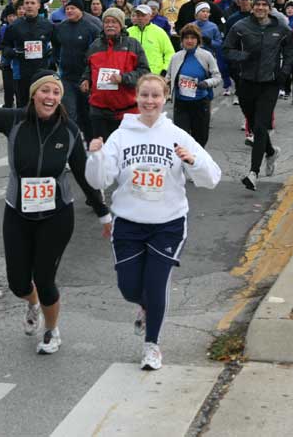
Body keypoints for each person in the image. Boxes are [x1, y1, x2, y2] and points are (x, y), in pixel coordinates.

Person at [0, 66, 111, 355]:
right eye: (45, 90)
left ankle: (52, 331)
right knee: (18, 282)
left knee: (44, 277)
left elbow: (82, 174)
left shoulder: (68, 130)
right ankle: (32, 302)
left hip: (57, 215)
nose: (50, 96)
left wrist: (104, 213)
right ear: (33, 95)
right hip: (17, 212)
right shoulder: (13, 120)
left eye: (55, 92)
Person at [85, 73, 221, 370]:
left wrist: (192, 162)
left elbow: (212, 177)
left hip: (168, 223)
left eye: (155, 96)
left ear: (165, 98)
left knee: (156, 284)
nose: (149, 101)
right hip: (129, 223)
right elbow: (99, 180)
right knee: (130, 288)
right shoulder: (121, 135)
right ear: (136, 97)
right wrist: (94, 157)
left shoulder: (177, 135)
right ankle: (145, 307)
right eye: (144, 95)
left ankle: (152, 345)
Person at [223, 0, 293, 191]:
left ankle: (253, 172)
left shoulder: (281, 28)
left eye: (265, 5)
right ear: (252, 6)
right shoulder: (241, 27)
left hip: (270, 82)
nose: (260, 8)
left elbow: (290, 52)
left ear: (270, 7)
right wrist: (243, 57)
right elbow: (227, 50)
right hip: (246, 82)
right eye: (257, 5)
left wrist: (284, 73)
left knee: (261, 126)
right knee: (255, 124)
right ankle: (271, 151)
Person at [81, 8, 151, 141]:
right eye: (107, 22)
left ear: (121, 25)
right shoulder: (95, 45)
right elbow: (88, 69)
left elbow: (144, 73)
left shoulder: (133, 45)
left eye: (114, 22)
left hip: (127, 112)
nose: (110, 25)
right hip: (99, 111)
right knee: (103, 154)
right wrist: (86, 80)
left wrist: (123, 78)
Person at [52, 0, 100, 139]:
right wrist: (57, 60)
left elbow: (96, 53)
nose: (69, 11)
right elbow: (56, 45)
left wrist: (90, 75)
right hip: (66, 77)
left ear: (80, 10)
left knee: (86, 113)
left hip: (84, 78)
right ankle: (72, 142)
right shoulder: (61, 27)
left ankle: (91, 142)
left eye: (73, 8)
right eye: (67, 8)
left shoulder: (91, 28)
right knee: (69, 112)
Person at [167, 24, 221, 147]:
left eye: (193, 38)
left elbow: (217, 77)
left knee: (200, 140)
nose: (189, 41)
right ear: (182, 40)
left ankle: (197, 164)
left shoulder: (206, 56)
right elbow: (169, 77)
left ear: (198, 40)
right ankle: (183, 165)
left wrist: (206, 83)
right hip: (181, 104)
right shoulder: (176, 57)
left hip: (200, 103)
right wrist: (166, 85)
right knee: (181, 140)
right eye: (186, 38)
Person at [2, 0, 54, 107]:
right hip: (21, 73)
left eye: (32, 3)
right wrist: (15, 52)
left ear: (38, 5)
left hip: (42, 71)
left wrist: (51, 55)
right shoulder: (14, 26)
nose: (29, 6)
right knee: (23, 106)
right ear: (23, 5)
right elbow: (5, 48)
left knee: (42, 104)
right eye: (27, 3)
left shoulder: (47, 25)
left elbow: (57, 45)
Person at [127, 4, 175, 76]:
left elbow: (170, 53)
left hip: (155, 74)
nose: (140, 18)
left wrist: (165, 70)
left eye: (143, 15)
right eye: (138, 15)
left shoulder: (159, 32)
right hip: (133, 75)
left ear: (150, 16)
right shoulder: (128, 32)